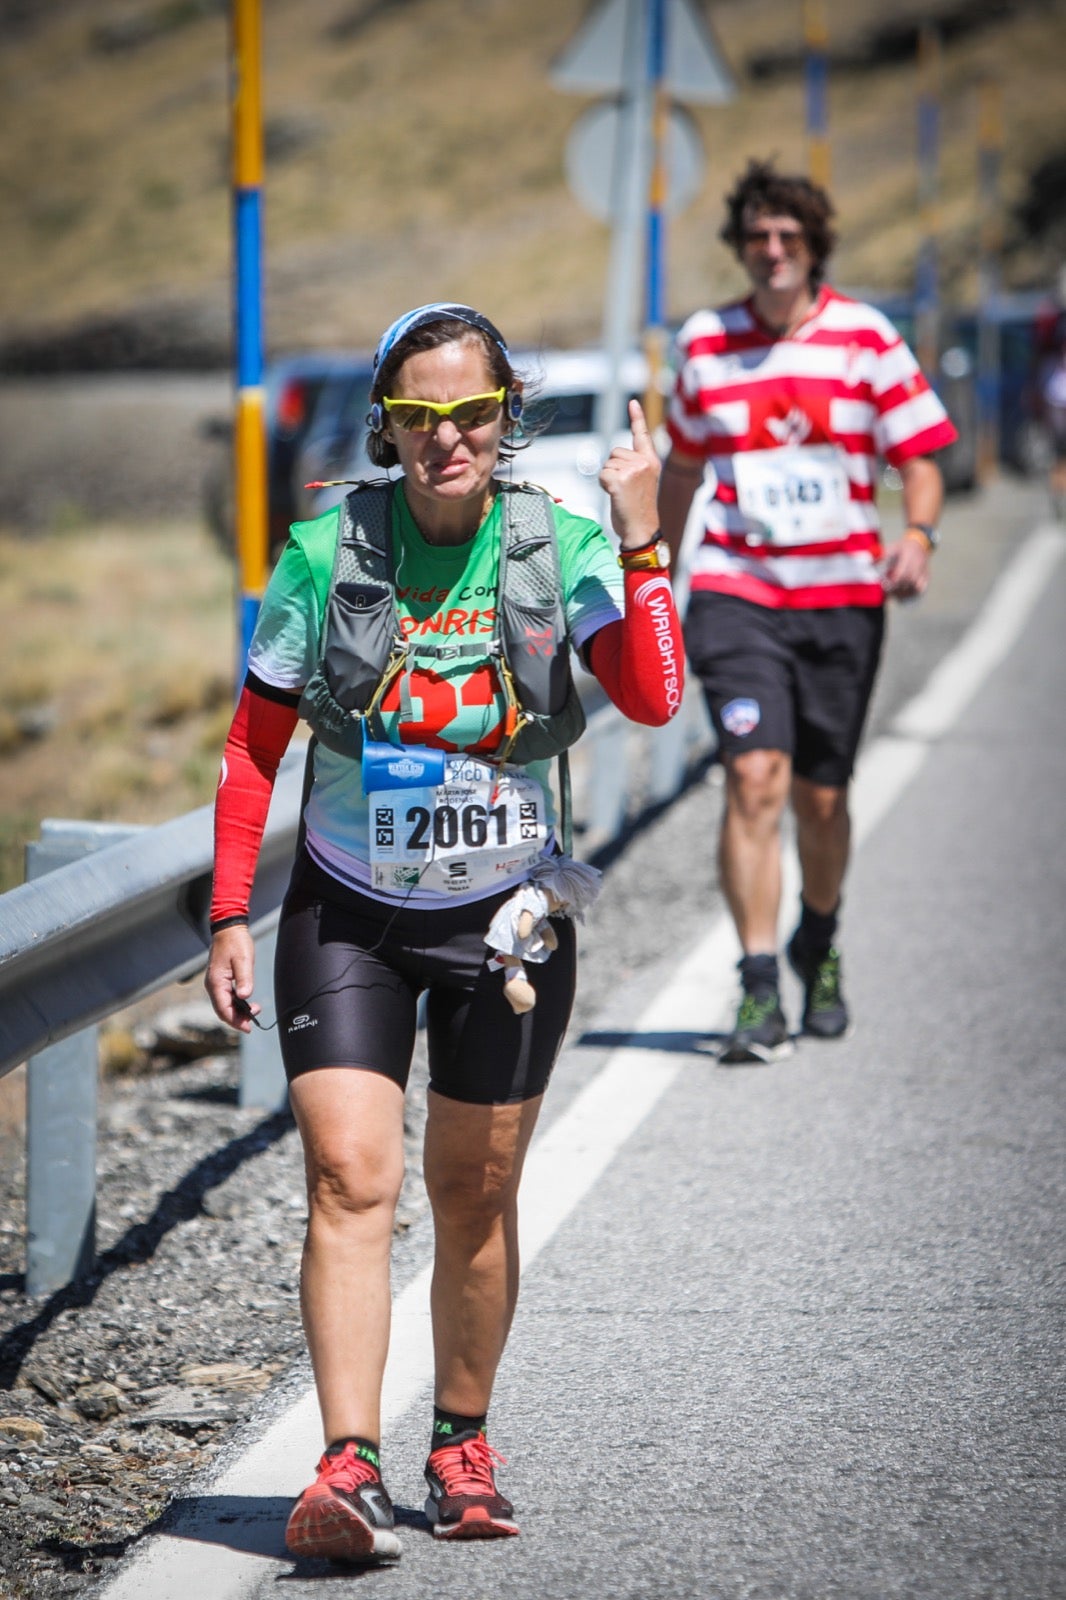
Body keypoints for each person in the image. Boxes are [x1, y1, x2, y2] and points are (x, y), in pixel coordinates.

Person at [204, 302, 683, 1562]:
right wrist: (225, 916)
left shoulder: (557, 544)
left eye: (471, 412)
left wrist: (643, 549)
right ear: (388, 427)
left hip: (504, 917)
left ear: (505, 418)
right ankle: (348, 1464)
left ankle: (460, 1439)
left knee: (473, 1190)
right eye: (417, 417)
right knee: (346, 1175)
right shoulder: (323, 554)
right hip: (347, 908)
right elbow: (254, 746)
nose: (445, 437)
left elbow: (648, 692)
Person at [658, 160, 957, 1064]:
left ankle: (817, 942)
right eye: (758, 235)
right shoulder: (705, 343)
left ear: (814, 245)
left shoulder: (866, 337)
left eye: (789, 236)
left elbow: (923, 456)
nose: (773, 250)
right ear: (741, 246)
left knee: (823, 798)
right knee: (755, 779)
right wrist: (653, 585)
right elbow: (680, 469)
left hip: (844, 598)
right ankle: (757, 989)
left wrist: (920, 537)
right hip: (738, 593)